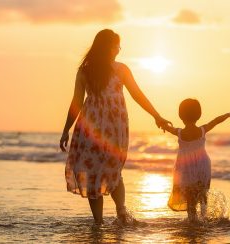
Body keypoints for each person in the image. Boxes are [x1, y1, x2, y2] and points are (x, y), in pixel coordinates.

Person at [59, 29, 171, 224]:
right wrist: (156, 116)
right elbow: (137, 95)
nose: (119, 49)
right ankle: (121, 212)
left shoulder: (85, 70)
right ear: (109, 47)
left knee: (93, 172)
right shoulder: (120, 69)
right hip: (114, 126)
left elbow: (76, 103)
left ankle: (99, 222)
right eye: (117, 45)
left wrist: (66, 129)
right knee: (113, 169)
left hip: (90, 126)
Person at [161, 98, 230, 222]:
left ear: (180, 116)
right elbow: (216, 121)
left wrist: (162, 124)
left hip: (186, 167)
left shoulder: (180, 132)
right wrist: (228, 115)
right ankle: (204, 218)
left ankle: (193, 220)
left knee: (190, 196)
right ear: (199, 115)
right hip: (202, 165)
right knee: (202, 194)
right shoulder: (202, 130)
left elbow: (167, 128)